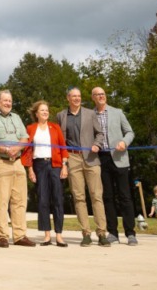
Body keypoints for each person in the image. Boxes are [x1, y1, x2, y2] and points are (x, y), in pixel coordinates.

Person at [56, 86, 110, 247]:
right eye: (73, 96)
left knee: (96, 196)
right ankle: (86, 233)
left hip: (92, 158)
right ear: (68, 98)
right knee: (79, 197)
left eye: (79, 96)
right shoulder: (61, 116)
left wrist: (97, 145)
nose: (77, 99)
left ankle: (101, 233)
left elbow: (100, 133)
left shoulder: (90, 113)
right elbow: (60, 141)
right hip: (72, 158)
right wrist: (64, 162)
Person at [0, 90, 35, 248]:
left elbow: (25, 137)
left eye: (10, 101)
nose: (8, 103)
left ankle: (20, 235)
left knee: (20, 201)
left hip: (18, 162)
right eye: (5, 100)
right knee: (1, 201)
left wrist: (16, 148)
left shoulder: (16, 117)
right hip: (0, 163)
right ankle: (3, 236)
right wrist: (5, 150)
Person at [91, 86, 137, 245]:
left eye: (102, 94)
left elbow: (130, 132)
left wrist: (124, 142)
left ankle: (130, 233)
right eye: (97, 95)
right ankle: (113, 232)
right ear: (93, 98)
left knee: (125, 196)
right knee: (107, 197)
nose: (101, 96)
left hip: (120, 158)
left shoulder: (117, 112)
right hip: (101, 160)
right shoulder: (90, 115)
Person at [23, 101, 69, 247]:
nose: (45, 112)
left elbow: (63, 147)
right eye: (42, 110)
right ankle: (47, 235)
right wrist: (30, 169)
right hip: (39, 165)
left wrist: (65, 166)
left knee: (57, 199)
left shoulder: (55, 127)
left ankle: (59, 235)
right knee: (43, 199)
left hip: (55, 164)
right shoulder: (30, 128)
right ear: (36, 113)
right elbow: (27, 151)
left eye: (46, 110)